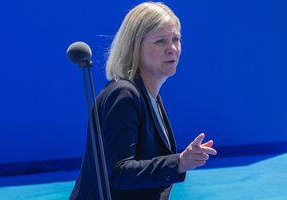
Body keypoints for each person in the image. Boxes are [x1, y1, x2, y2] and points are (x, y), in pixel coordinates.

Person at [70, 2, 217, 200]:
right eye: (160, 41)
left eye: (176, 39)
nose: (172, 48)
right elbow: (119, 173)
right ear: (135, 46)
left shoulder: (148, 95)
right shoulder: (123, 95)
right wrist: (179, 162)